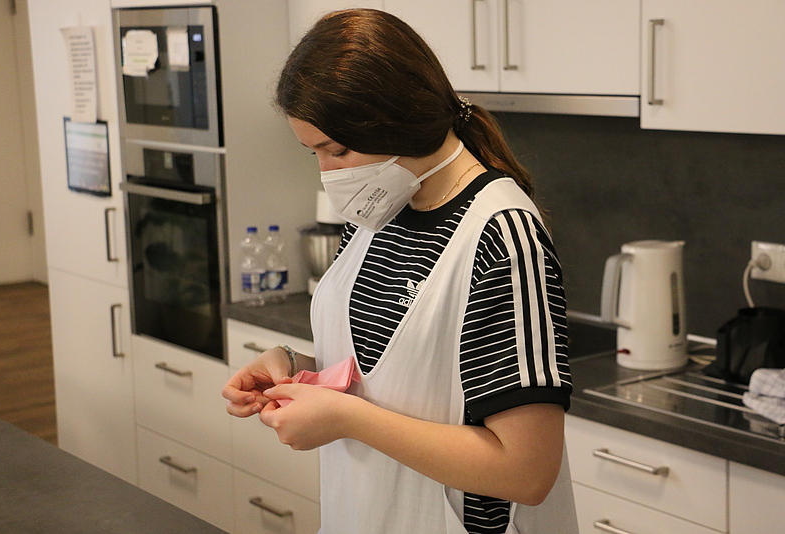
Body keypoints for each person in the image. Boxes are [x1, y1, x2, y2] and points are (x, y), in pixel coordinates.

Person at [223, 8, 577, 534]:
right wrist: (296, 364)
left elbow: (526, 471)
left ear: (395, 120)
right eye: (313, 152)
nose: (327, 172)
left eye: (337, 150)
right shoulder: (380, 207)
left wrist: (345, 418)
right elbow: (405, 376)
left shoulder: (502, 236)